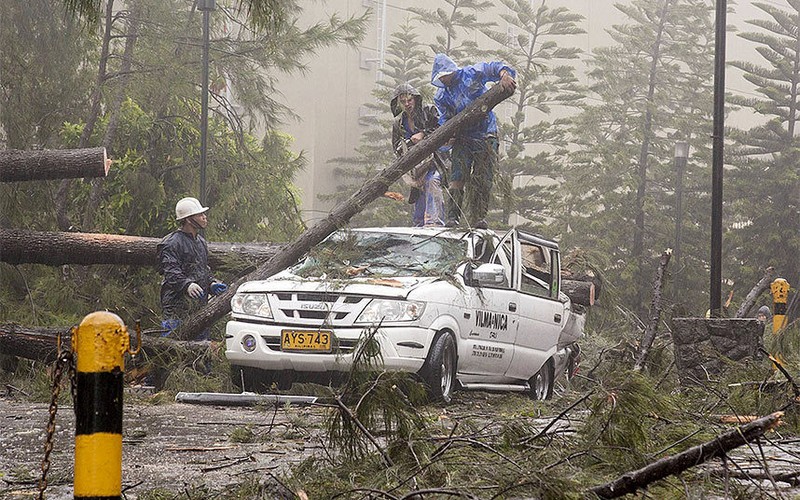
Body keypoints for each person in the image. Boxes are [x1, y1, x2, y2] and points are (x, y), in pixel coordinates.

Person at [431, 53, 516, 228]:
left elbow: (492, 67)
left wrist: (504, 75)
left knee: (483, 178)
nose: (444, 79)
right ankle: (452, 217)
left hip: (486, 134)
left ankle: (479, 217)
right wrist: (447, 134)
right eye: (441, 76)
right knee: (457, 176)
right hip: (463, 137)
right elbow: (444, 118)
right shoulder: (442, 95)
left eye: (445, 74)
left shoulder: (471, 73)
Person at [157, 196, 227, 340]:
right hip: (176, 309)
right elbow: (171, 272)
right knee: (174, 351)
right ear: (189, 219)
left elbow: (203, 270)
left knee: (199, 354)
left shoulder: (201, 242)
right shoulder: (171, 243)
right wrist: (186, 285)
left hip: (198, 310)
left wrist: (211, 284)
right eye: (200, 215)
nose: (204, 217)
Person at [391, 83, 446, 227]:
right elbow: (396, 146)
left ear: (415, 99)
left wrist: (423, 134)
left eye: (410, 100)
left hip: (435, 161)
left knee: (432, 182)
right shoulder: (399, 123)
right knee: (419, 191)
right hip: (415, 167)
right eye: (403, 101)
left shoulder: (429, 111)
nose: (407, 104)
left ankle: (436, 223)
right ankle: (419, 226)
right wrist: (407, 144)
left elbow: (442, 130)